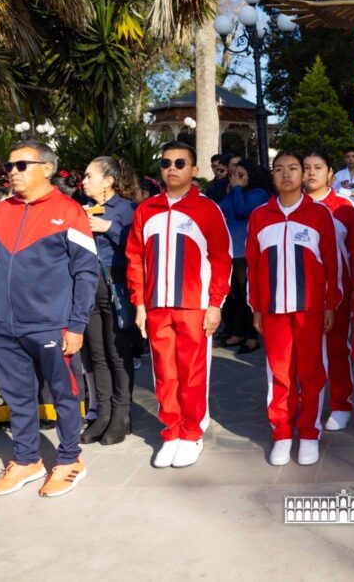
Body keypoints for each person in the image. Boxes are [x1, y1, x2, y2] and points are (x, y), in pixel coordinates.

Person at [0, 141, 99, 497]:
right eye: (9, 167)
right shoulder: (1, 211)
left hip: (52, 325)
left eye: (21, 165)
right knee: (17, 397)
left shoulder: (69, 211)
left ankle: (69, 459)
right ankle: (27, 459)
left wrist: (76, 325)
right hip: (4, 327)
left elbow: (86, 273)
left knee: (65, 395)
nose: (12, 173)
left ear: (47, 169)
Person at [126, 141, 232, 469]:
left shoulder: (207, 209)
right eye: (166, 163)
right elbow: (135, 259)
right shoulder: (146, 210)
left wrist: (215, 304)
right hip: (157, 306)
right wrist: (140, 304)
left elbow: (221, 258)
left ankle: (191, 434)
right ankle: (171, 432)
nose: (172, 168)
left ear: (194, 169)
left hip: (194, 306)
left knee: (192, 373)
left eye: (180, 163)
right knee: (164, 373)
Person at [247, 151, 339, 466]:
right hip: (273, 311)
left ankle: (309, 434)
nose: (286, 174)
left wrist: (330, 305)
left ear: (302, 175)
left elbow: (332, 265)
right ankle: (283, 434)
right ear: (272, 176)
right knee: (280, 375)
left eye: (293, 168)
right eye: (279, 169)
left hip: (310, 310)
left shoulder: (319, 214)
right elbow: (253, 267)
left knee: (311, 374)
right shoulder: (260, 216)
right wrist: (257, 308)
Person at [78, 156, 136, 445]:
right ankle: (102, 413)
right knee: (97, 354)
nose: (84, 181)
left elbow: (137, 244)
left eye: (90, 176)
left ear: (109, 181)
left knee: (117, 353)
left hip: (117, 286)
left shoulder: (126, 209)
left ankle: (121, 414)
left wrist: (107, 227)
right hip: (89, 287)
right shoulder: (81, 208)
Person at [302, 150, 354, 431]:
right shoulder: (292, 204)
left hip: (337, 292)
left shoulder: (344, 207)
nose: (311, 173)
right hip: (301, 292)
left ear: (330, 174)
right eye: (306, 167)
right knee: (304, 353)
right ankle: (306, 401)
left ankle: (340, 404)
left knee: (337, 348)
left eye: (318, 167)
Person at [218, 156, 271, 353]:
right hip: (231, 251)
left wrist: (238, 189)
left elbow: (242, 210)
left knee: (246, 296)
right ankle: (238, 332)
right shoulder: (235, 192)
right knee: (234, 297)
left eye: (241, 175)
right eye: (234, 175)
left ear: (251, 176)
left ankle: (251, 337)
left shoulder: (259, 194)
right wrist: (233, 191)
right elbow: (220, 209)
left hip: (246, 252)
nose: (236, 179)